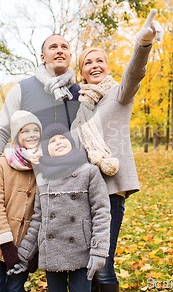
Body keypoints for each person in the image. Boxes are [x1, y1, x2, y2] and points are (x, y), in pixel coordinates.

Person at [72, 9, 163, 292]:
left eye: (100, 60)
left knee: (102, 265)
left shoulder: (119, 93)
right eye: (88, 62)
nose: (95, 65)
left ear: (108, 67)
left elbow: (135, 72)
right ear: (82, 71)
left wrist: (142, 43)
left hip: (111, 188)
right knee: (86, 262)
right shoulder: (81, 105)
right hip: (83, 189)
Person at [9, 123, 111, 292]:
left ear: (71, 142)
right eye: (52, 141)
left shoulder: (89, 172)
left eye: (63, 138)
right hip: (52, 252)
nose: (59, 142)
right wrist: (23, 256)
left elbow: (101, 213)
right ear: (46, 149)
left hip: (82, 250)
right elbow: (38, 220)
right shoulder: (43, 177)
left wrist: (99, 251)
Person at [0, 34, 81, 177]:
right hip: (29, 177)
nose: (60, 50)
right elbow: (1, 131)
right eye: (53, 47)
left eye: (64, 47)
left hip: (72, 178)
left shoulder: (80, 93)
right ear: (43, 57)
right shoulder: (22, 89)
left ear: (70, 55)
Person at [0, 110, 43, 292]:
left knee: (15, 288)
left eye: (35, 130)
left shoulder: (43, 166)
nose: (31, 135)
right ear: (16, 135)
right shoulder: (2, 164)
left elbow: (44, 209)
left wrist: (35, 248)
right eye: (25, 131)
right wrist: (5, 244)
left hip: (25, 244)